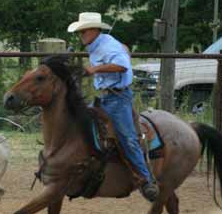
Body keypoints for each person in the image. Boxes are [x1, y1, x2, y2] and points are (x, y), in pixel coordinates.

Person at [67, 12, 159, 202]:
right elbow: (123, 50)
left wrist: (95, 69)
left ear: (94, 30)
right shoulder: (99, 44)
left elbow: (123, 65)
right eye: (80, 32)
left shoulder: (106, 45)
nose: (80, 35)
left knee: (127, 138)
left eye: (83, 31)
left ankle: (147, 180)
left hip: (118, 99)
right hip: (106, 97)